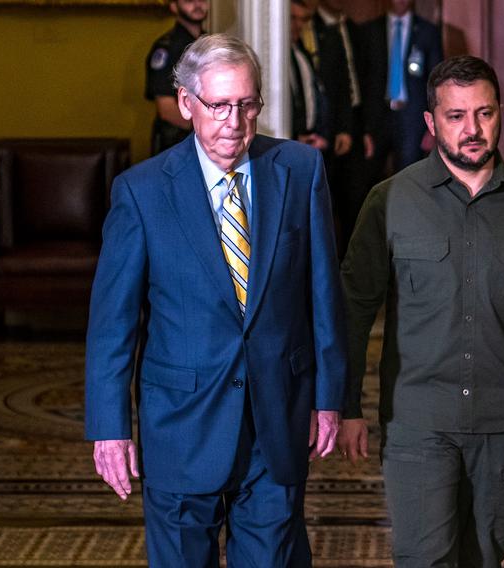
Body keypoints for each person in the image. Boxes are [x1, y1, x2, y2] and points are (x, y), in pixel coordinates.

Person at [85, 34, 347, 566]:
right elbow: (114, 325)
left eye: (247, 105)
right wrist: (110, 429)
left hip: (276, 423)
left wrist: (331, 396)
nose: (234, 121)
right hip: (180, 428)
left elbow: (324, 294)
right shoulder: (142, 191)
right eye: (219, 105)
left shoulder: (299, 171)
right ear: (186, 104)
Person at [339, 55, 504, 567]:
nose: (472, 129)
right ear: (430, 123)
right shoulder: (390, 202)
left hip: (503, 422)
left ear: (499, 114)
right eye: (456, 116)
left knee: (485, 559)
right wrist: (348, 405)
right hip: (417, 421)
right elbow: (354, 310)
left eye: (484, 114)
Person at [305, 0, 370, 259]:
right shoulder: (310, 25)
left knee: (353, 202)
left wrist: (350, 128)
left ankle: (349, 268)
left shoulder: (353, 28)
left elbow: (350, 83)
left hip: (349, 125)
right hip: (320, 129)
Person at [357, 0, 443, 183]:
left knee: (410, 180)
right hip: (376, 118)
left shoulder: (428, 31)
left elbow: (437, 82)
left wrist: (433, 127)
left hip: (412, 119)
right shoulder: (369, 31)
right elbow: (361, 81)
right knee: (367, 180)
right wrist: (362, 127)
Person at [145, 0, 209, 155]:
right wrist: (208, 127)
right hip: (176, 142)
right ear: (174, 6)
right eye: (189, 0)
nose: (197, 4)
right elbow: (166, 108)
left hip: (207, 141)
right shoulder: (166, 48)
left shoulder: (211, 44)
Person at [290, 0, 330, 151]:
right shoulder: (277, 60)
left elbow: (315, 94)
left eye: (303, 19)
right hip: (290, 140)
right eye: (293, 18)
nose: (298, 25)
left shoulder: (302, 53)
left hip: (311, 139)